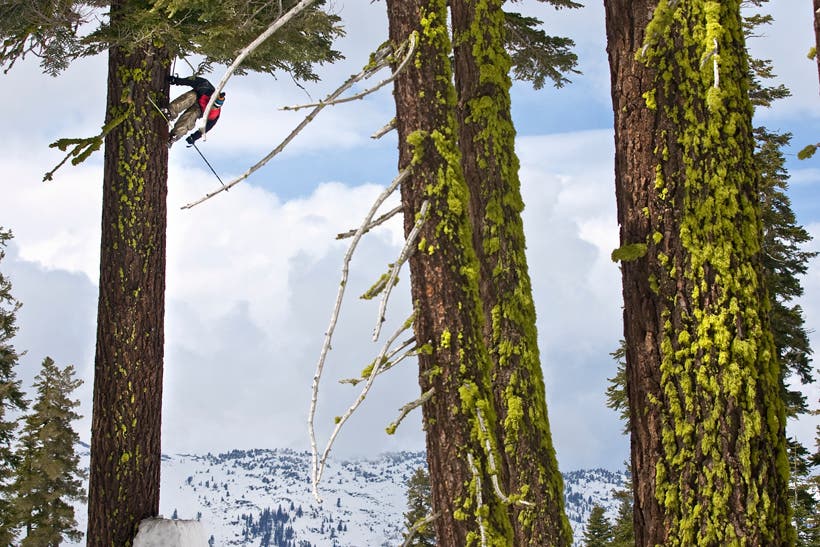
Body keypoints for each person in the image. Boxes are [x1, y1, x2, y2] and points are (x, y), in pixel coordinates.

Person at [166, 75, 225, 148]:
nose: (210, 107)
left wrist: (194, 137)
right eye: (211, 103)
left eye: (213, 107)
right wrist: (177, 81)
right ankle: (170, 112)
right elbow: (192, 81)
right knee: (190, 97)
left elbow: (205, 128)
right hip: (197, 96)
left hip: (199, 110)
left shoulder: (214, 115)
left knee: (190, 117)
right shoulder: (206, 88)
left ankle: (174, 136)